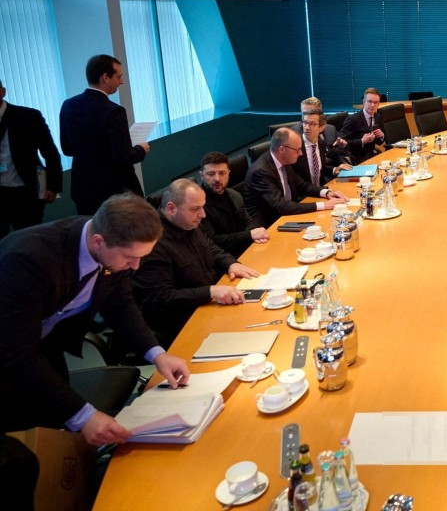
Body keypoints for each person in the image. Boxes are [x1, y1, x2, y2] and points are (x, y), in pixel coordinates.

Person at [0, 194, 190, 446]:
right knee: (21, 443)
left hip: (46, 344)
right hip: (9, 353)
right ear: (98, 241)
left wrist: (156, 354)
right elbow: (16, 351)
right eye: (129, 258)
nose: (136, 266)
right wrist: (83, 416)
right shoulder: (28, 260)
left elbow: (120, 303)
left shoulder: (112, 246)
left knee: (55, 428)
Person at [132, 179, 259, 346]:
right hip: (185, 322)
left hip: (210, 305)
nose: (203, 214)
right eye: (195, 209)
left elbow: (209, 246)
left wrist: (231, 263)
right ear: (171, 208)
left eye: (202, 207)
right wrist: (210, 292)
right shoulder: (152, 243)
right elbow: (160, 298)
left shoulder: (187, 222)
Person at [59, 55, 150, 215]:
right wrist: (141, 149)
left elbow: (67, 149)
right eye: (119, 76)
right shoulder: (114, 111)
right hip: (114, 192)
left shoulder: (68, 105)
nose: (121, 81)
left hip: (84, 190)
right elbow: (123, 158)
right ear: (105, 77)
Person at [244, 127, 348, 228]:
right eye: (297, 150)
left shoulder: (284, 160)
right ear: (282, 149)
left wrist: (327, 193)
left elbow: (302, 185)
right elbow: (281, 206)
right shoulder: (261, 172)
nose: (301, 153)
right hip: (270, 226)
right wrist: (323, 205)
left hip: (288, 217)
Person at [0, 77, 62, 239]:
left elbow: (49, 152)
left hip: (27, 189)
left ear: (3, 92)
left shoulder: (28, 116)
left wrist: (53, 186)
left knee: (30, 238)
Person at [197, 151, 269, 258]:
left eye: (222, 173)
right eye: (211, 174)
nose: (217, 179)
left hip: (249, 250)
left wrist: (254, 235)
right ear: (201, 176)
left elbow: (249, 222)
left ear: (229, 173)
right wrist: (249, 235)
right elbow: (212, 240)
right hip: (223, 258)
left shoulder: (235, 195)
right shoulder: (197, 206)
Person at [293, 110, 352, 186]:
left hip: (320, 189)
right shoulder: (295, 146)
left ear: (321, 128)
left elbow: (320, 168)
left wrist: (335, 170)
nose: (306, 127)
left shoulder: (321, 143)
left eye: (311, 124)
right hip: (303, 194)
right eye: (305, 123)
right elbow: (294, 178)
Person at [338, 88, 385, 164]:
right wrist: (361, 141)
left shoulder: (378, 117)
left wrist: (381, 136)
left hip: (371, 156)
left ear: (378, 104)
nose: (372, 105)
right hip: (356, 158)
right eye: (369, 101)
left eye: (375, 102)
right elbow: (340, 143)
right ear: (364, 102)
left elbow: (379, 142)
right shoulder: (352, 119)